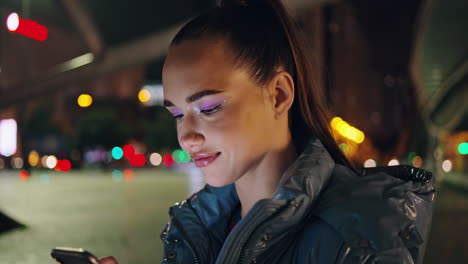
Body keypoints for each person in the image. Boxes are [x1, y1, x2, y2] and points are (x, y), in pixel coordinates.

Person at [100, 0, 435, 263]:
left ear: (279, 95)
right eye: (176, 114)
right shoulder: (196, 226)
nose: (187, 136)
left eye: (209, 108)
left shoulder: (357, 240)